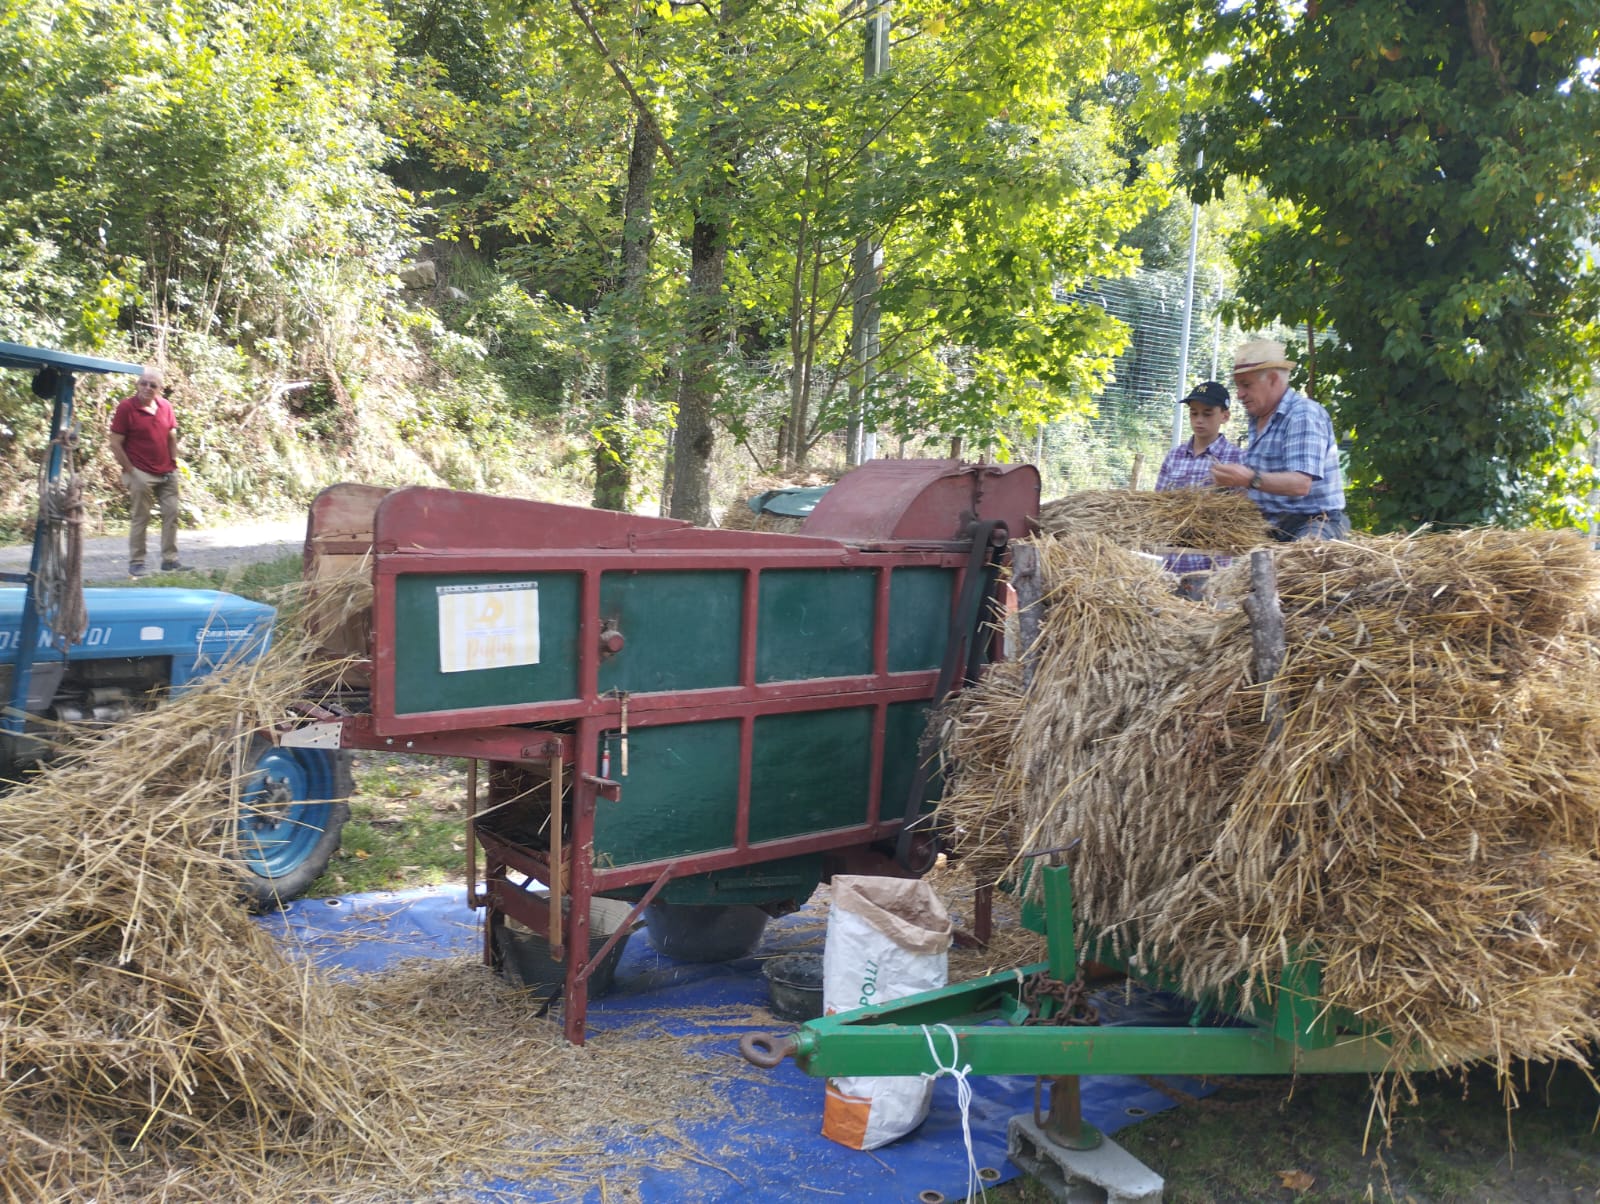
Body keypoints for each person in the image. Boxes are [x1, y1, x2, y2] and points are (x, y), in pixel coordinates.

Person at [1209, 338, 1349, 541]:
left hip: (1314, 523)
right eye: (1238, 386)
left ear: (1273, 379)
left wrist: (1249, 479)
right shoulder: (1258, 417)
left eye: (1246, 385)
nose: (1239, 395)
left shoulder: (1303, 414)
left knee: (1304, 557)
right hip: (1272, 525)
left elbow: (1300, 484)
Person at [1155, 380, 1246, 580]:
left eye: (1207, 413)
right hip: (1172, 564)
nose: (1199, 420)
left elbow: (1242, 514)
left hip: (1212, 567)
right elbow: (1158, 505)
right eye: (1194, 413)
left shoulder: (1237, 459)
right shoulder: (1174, 457)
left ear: (1225, 416)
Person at [109, 366, 189, 576]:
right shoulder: (126, 408)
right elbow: (115, 443)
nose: (147, 388)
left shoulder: (166, 406)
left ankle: (170, 560)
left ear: (160, 389)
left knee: (171, 514)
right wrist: (130, 471)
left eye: (153, 385)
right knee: (140, 517)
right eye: (143, 383)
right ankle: (137, 562)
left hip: (167, 471)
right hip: (140, 472)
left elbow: (171, 435)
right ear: (137, 385)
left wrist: (174, 462)